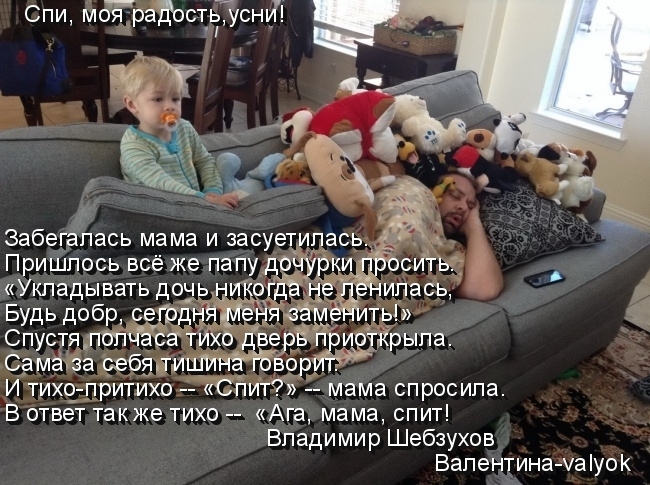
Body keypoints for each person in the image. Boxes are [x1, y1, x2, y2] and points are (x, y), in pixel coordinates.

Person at [119, 56, 239, 208]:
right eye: (158, 99)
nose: (170, 106)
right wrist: (204, 200)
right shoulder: (134, 146)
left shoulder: (184, 128)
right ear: (131, 104)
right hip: (162, 210)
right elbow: (163, 185)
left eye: (175, 98)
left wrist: (213, 190)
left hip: (196, 202)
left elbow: (204, 160)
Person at [436, 172, 504, 301]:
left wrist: (473, 224)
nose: (463, 207)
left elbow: (485, 289)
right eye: (455, 195)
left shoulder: (452, 250)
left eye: (470, 206)